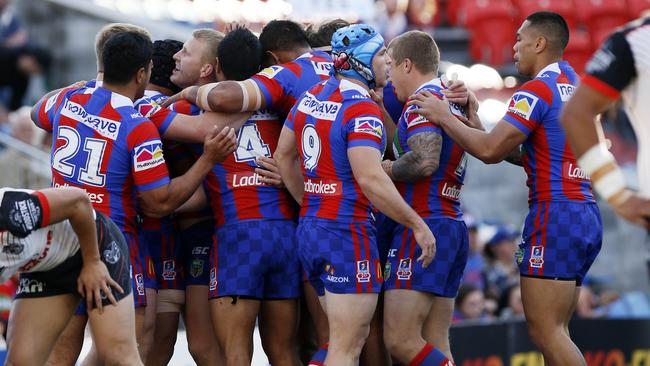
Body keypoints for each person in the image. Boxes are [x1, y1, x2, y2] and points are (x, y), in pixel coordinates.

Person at [409, 12, 603, 366]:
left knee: (547, 332)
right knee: (558, 329)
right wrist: (476, 124)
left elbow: (488, 151)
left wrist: (442, 116)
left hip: (555, 213)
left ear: (540, 43)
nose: (513, 47)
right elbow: (533, 154)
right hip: (584, 211)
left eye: (519, 39)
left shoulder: (536, 91)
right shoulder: (577, 87)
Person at [31, 31, 236, 363]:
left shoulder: (67, 100)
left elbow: (36, 113)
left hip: (62, 236)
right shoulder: (137, 124)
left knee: (63, 348)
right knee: (131, 343)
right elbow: (159, 202)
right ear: (142, 73)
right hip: (110, 241)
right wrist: (208, 161)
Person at [275, 24, 436, 365]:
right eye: (380, 55)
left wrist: (311, 201)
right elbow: (371, 178)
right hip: (347, 233)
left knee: (339, 342)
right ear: (361, 61)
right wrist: (416, 223)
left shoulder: (313, 94)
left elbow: (283, 157)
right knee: (348, 347)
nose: (388, 63)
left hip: (312, 228)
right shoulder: (362, 108)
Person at [380, 30, 467, 365]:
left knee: (400, 340)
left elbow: (426, 160)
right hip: (450, 221)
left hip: (424, 223)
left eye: (390, 66)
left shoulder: (421, 101)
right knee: (435, 342)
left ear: (406, 64)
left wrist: (381, 169)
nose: (388, 75)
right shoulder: (449, 97)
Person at [1, 186, 140, 365]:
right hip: (44, 268)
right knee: (21, 362)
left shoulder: (9, 208)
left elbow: (78, 202)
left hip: (90, 247)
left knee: (118, 357)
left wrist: (92, 262)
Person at [559, 17, 650, 277]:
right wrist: (617, 194)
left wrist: (617, 195)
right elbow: (577, 113)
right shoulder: (635, 40)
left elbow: (576, 113)